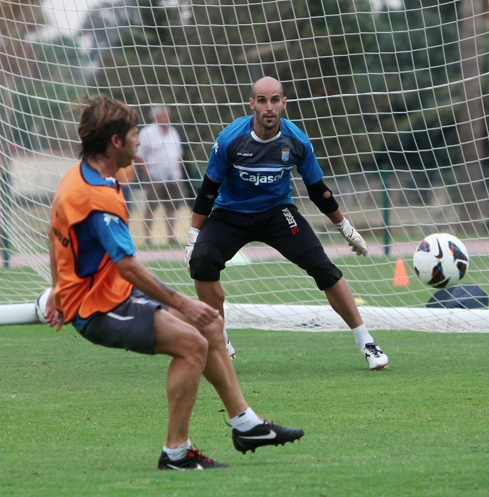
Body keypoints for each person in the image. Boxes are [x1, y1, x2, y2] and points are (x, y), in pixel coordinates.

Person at [43, 95, 304, 470]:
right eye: (134, 135)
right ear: (115, 142)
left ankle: (246, 425)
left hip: (113, 294)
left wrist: (57, 289)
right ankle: (177, 453)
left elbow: (54, 233)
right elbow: (128, 267)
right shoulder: (96, 196)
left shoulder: (80, 174)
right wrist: (183, 303)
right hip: (97, 309)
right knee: (193, 344)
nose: (139, 141)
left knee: (210, 324)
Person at [184, 76, 389, 370]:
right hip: (231, 213)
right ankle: (219, 339)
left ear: (284, 103)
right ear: (252, 104)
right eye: (262, 100)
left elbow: (318, 190)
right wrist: (193, 236)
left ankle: (366, 342)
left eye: (275, 100)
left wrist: (344, 226)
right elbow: (208, 191)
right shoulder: (229, 139)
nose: (269, 107)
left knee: (323, 268)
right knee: (202, 262)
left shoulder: (297, 141)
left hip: (277, 212)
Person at [136, 105, 184, 245]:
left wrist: (179, 171)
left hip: (173, 176)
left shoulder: (173, 131)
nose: (167, 117)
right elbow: (140, 155)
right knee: (151, 207)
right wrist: (147, 174)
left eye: (168, 114)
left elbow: (179, 154)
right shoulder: (147, 132)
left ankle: (171, 236)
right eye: (164, 114)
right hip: (155, 176)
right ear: (156, 116)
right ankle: (147, 238)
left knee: (171, 207)